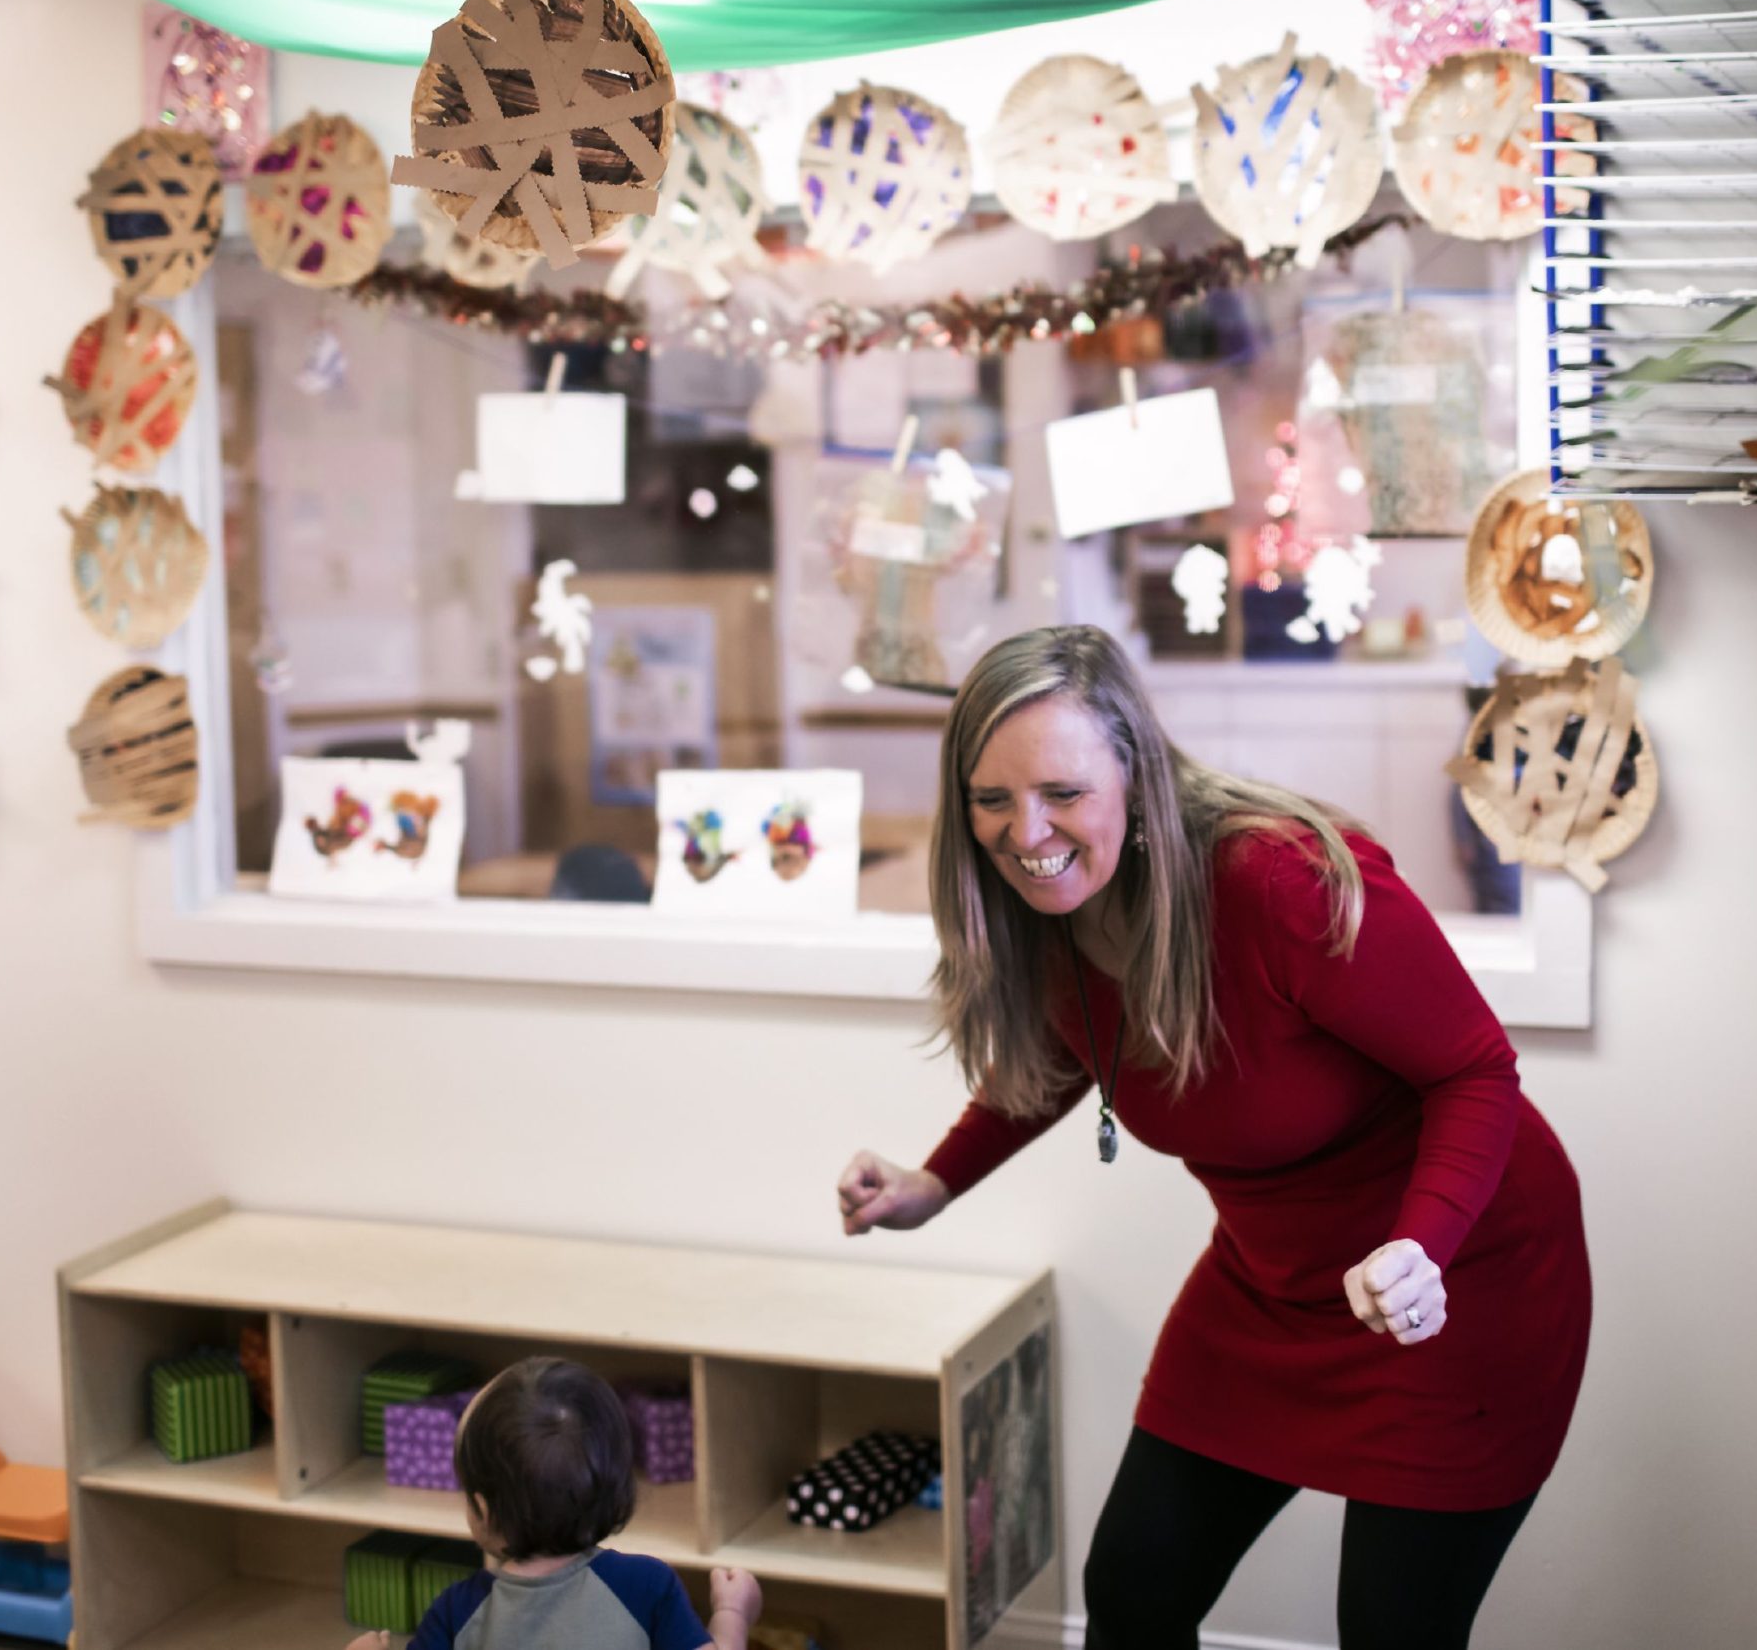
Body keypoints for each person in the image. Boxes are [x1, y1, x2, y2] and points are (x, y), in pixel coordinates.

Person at [836, 626, 1590, 1650]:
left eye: (1061, 791)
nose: (1026, 830)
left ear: (1135, 776)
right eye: (992, 799)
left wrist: (1423, 1245)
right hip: (1271, 1283)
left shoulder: (1274, 881)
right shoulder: (1047, 907)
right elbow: (1067, 1055)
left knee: (1390, 1626)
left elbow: (1471, 1067)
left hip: (1454, 1279)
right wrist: (933, 1180)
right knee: (1136, 1583)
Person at [346, 1357, 762, 1650]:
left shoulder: (458, 1611)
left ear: (482, 1511)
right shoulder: (646, 1586)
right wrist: (731, 1613)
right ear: (614, 1488)